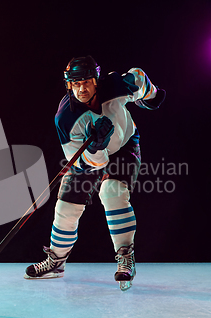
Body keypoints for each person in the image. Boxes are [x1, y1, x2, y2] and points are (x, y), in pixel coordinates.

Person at [24, 56, 165, 290]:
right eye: (75, 84)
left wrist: (151, 96)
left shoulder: (116, 86)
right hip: (87, 159)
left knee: (112, 192)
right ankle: (56, 262)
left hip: (125, 145)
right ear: (69, 85)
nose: (81, 88)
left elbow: (139, 76)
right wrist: (95, 147)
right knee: (66, 205)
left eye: (86, 82)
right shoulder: (65, 119)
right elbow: (84, 163)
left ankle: (125, 257)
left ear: (96, 80)